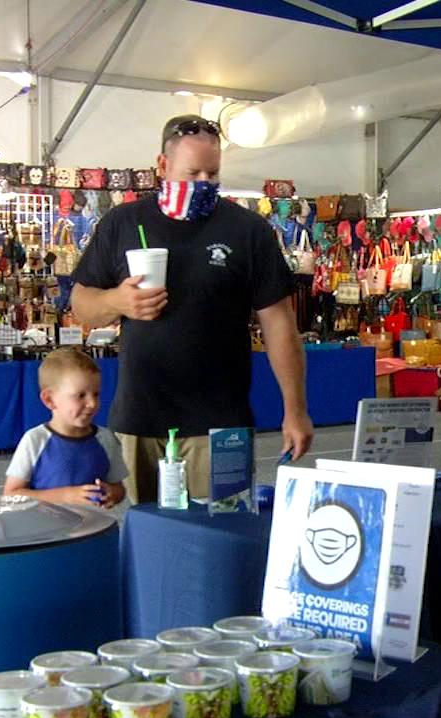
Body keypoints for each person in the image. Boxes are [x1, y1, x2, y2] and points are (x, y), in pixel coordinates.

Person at [71, 115, 314, 502]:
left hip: (220, 423)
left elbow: (279, 325)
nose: (204, 183)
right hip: (140, 418)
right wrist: (117, 301)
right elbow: (82, 303)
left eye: (213, 173)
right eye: (192, 172)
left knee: (222, 542)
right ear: (163, 166)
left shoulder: (248, 230)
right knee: (147, 537)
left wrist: (295, 409)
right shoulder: (123, 222)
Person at [4, 347, 127, 508]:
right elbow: (11, 494)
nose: (92, 404)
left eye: (96, 394)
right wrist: (65, 496)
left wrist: (111, 493)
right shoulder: (35, 440)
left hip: (95, 529)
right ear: (49, 400)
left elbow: (119, 489)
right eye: (80, 396)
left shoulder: (106, 439)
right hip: (47, 531)